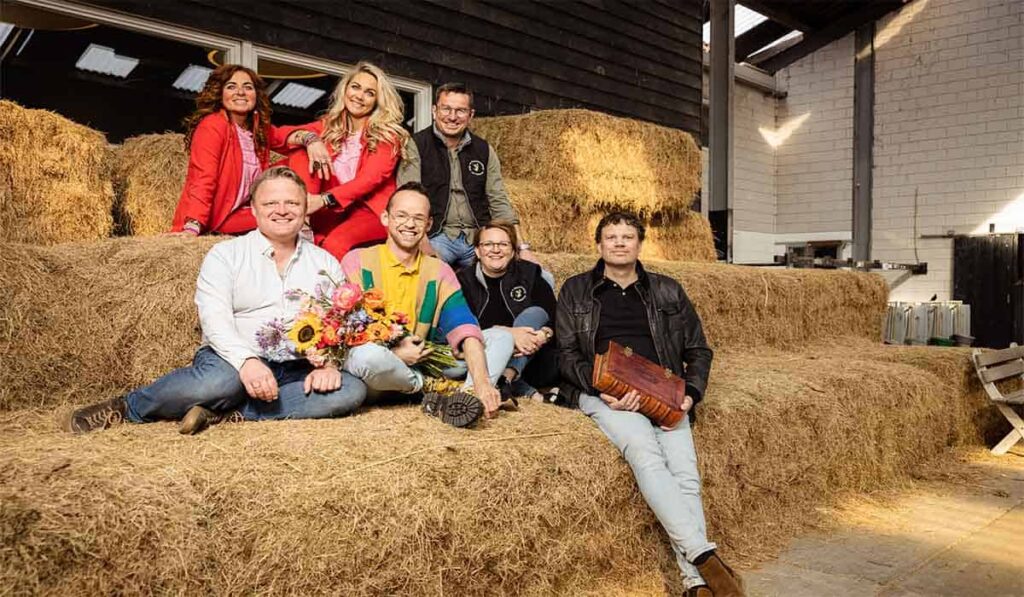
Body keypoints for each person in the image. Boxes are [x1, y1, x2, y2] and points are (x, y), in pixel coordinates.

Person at [67, 167, 368, 435]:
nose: (282, 210)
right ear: (253, 209)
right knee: (217, 385)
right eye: (271, 203)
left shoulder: (325, 262)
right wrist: (247, 362)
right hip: (230, 359)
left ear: (305, 209)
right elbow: (214, 319)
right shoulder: (226, 255)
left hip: (297, 365)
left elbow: (342, 322)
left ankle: (233, 414)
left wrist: (329, 365)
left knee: (351, 390)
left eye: (292, 203)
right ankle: (127, 407)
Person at [555, 212, 744, 597]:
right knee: (645, 453)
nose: (620, 243)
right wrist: (598, 387)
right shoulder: (575, 291)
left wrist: (691, 393)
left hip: (664, 394)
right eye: (612, 237)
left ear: (639, 244)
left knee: (686, 476)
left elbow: (699, 349)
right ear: (599, 245)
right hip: (609, 395)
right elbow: (565, 354)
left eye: (627, 237)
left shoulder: (668, 291)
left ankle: (695, 584)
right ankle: (703, 557)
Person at [340, 182, 509, 428]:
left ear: (428, 225)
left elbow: (463, 325)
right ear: (385, 218)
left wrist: (483, 383)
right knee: (366, 357)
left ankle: (468, 397)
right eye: (402, 216)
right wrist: (395, 353)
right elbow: (342, 330)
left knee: (500, 338)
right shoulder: (357, 261)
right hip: (380, 370)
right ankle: (431, 388)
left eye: (418, 218)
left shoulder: (439, 270)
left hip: (422, 358)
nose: (410, 224)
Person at [397, 82, 538, 270]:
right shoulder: (416, 145)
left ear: (471, 115)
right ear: (434, 110)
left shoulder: (484, 150)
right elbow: (409, 198)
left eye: (461, 111)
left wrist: (522, 247)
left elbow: (499, 200)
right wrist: (424, 246)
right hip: (437, 236)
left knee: (538, 276)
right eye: (446, 109)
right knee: (425, 275)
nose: (452, 117)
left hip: (478, 237)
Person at [280, 61, 410, 260]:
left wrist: (324, 199)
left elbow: (368, 180)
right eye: (355, 87)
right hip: (330, 211)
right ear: (345, 89)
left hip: (368, 211)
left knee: (334, 245)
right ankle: (302, 219)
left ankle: (330, 291)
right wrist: (310, 139)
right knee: (302, 149)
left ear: (377, 100)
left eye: (369, 92)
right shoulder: (328, 127)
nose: (359, 96)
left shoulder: (387, 135)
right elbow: (275, 136)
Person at [171, 64, 315, 236]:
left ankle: (304, 221)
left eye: (248, 87)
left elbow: (285, 136)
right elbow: (203, 178)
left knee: (301, 154)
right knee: (284, 218)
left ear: (256, 96)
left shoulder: (256, 130)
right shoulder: (213, 125)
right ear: (220, 94)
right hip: (217, 217)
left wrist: (312, 140)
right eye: (231, 86)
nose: (240, 92)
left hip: (243, 212)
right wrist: (193, 226)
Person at [456, 221, 557, 402]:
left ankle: (507, 376)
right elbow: (465, 326)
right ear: (478, 251)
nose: (496, 250)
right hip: (488, 354)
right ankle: (513, 383)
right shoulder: (464, 280)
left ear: (512, 251)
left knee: (533, 314)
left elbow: (554, 314)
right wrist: (509, 333)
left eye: (503, 244)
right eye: (488, 244)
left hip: (532, 357)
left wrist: (543, 334)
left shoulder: (530, 273)